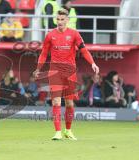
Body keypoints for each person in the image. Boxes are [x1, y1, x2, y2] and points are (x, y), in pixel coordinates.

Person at [33, 9, 99, 140]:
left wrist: (92, 63)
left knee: (69, 104)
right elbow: (44, 53)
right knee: (56, 102)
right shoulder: (50, 35)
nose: (60, 22)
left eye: (62, 19)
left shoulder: (74, 34)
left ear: (67, 20)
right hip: (55, 71)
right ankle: (57, 132)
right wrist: (38, 68)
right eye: (58, 19)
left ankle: (68, 130)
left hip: (70, 72)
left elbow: (84, 50)